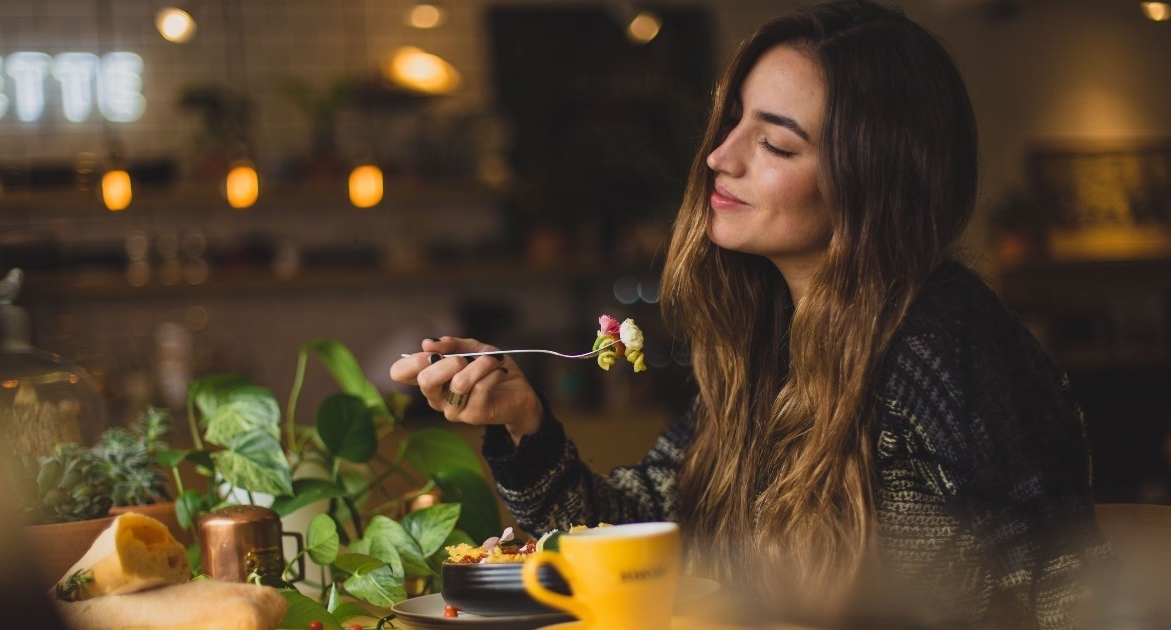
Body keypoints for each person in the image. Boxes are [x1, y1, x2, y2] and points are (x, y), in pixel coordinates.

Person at [390, 0, 1111, 626]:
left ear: (874, 180)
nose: (718, 157)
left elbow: (1062, 592)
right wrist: (524, 423)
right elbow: (632, 539)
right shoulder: (769, 348)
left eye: (775, 142)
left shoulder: (942, 344)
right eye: (731, 121)